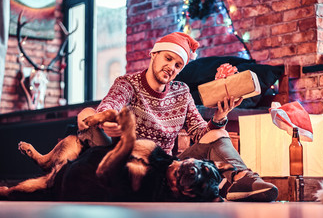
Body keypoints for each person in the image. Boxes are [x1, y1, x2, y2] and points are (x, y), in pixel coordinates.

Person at [77, 32, 278, 202]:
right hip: (129, 167)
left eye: (178, 65)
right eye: (168, 58)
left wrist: (220, 116)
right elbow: (110, 104)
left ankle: (244, 180)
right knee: (86, 116)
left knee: (219, 133)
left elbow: (201, 133)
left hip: (167, 169)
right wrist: (108, 120)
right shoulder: (128, 83)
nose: (172, 67)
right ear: (153, 54)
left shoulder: (181, 91)